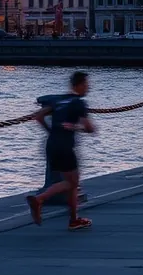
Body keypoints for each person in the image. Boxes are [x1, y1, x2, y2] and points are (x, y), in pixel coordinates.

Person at [26, 71, 96, 231]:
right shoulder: (78, 103)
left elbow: (38, 116)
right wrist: (76, 127)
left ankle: (74, 219)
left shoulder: (58, 100)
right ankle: (39, 199)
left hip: (52, 144)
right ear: (78, 85)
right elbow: (90, 128)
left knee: (71, 183)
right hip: (65, 146)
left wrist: (50, 131)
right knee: (72, 182)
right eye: (86, 84)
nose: (89, 87)